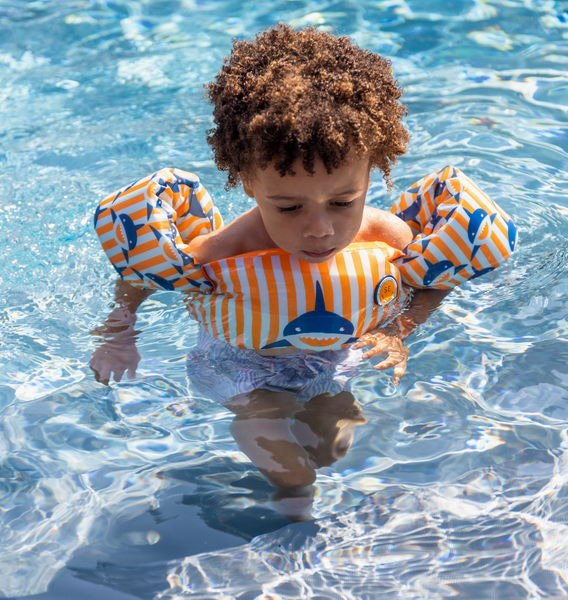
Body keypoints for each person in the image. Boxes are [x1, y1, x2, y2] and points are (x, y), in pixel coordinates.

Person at [90, 24, 468, 521]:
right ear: (248, 182)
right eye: (288, 207)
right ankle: (293, 515)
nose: (319, 229)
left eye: (343, 202)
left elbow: (435, 280)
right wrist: (119, 334)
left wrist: (399, 331)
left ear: (371, 172)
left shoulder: (387, 235)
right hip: (242, 361)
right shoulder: (224, 250)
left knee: (331, 450)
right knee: (290, 463)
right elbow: (144, 274)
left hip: (332, 357)